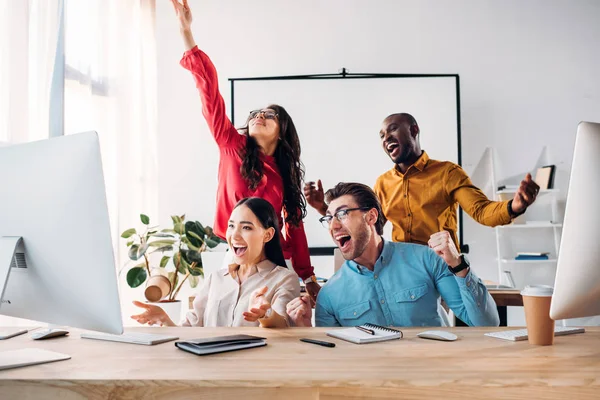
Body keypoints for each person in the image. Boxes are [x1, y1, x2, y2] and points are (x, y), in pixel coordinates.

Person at [169, 0, 320, 300]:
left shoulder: (283, 175)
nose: (258, 116)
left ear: (283, 132)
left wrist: (308, 275)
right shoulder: (231, 145)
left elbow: (295, 227)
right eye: (255, 113)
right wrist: (187, 33)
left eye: (270, 115)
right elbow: (209, 91)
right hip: (236, 253)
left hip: (277, 261)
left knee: (276, 332)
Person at [304, 113, 540, 250]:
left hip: (441, 266)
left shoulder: (447, 172)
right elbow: (369, 226)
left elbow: (482, 211)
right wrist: (324, 209)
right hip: (400, 266)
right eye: (382, 136)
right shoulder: (383, 183)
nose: (386, 138)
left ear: (414, 130)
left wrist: (515, 206)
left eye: (393, 130)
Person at [287, 182, 499, 327]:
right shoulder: (329, 295)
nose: (333, 225)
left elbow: (485, 323)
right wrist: (305, 330)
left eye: (342, 214)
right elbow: (332, 360)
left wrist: (459, 265)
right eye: (329, 218)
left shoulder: (426, 259)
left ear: (370, 217)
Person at [132, 197, 300, 328]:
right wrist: (165, 319)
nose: (234, 235)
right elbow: (190, 329)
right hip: (210, 369)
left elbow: (284, 326)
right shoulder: (216, 279)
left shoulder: (284, 279)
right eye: (231, 226)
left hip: (253, 369)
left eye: (246, 227)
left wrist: (265, 313)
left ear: (268, 235)